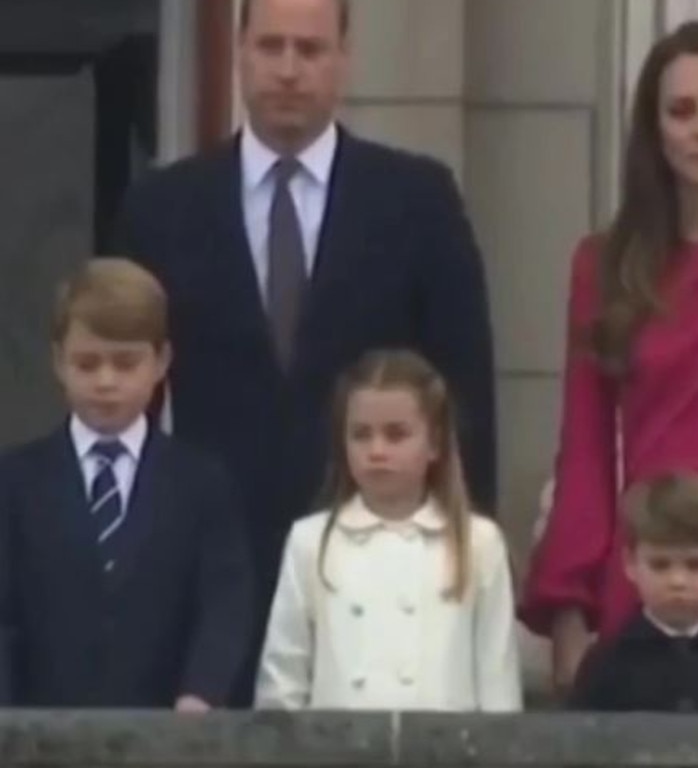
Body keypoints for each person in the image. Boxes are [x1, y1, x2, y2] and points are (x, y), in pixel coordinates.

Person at [113, 0, 496, 667]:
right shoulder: (163, 208)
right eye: (272, 47)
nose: (289, 70)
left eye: (311, 51)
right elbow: (118, 394)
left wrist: (467, 552)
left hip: (380, 567)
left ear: (344, 59)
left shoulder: (418, 200)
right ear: (240, 53)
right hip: (207, 578)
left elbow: (464, 393)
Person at [519, 20, 698, 693]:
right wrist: (572, 614)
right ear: (655, 132)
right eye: (682, 111)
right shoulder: (604, 267)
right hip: (655, 571)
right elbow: (586, 453)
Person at [0, 259, 254, 708]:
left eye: (125, 363)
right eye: (87, 363)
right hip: (36, 738)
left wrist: (200, 692)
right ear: (58, 361)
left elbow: (223, 603)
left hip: (166, 736)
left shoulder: (201, 484)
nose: (106, 381)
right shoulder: (15, 484)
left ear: (161, 362)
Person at [254, 349, 520, 711]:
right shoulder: (311, 541)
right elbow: (283, 682)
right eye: (361, 435)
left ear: (435, 443)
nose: (376, 450)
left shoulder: (478, 542)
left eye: (396, 435)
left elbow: (497, 685)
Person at [569, 472, 698, 711]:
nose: (677, 581)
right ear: (631, 564)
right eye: (660, 565)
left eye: (696, 565)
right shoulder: (605, 663)